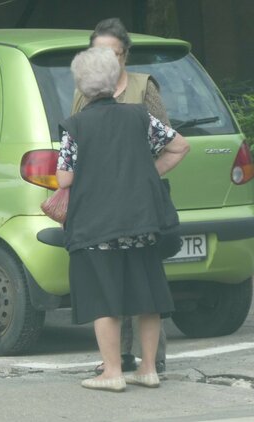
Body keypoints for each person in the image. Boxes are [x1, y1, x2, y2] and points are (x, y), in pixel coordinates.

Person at [57, 47, 189, 392]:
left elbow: (64, 180)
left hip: (96, 225)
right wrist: (147, 172)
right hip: (142, 221)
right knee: (147, 295)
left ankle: (112, 372)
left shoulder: (75, 126)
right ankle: (148, 369)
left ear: (82, 88)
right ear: (116, 81)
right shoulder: (140, 116)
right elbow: (180, 146)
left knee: (105, 298)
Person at [71, 17, 170, 375]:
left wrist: (140, 176)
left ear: (125, 54)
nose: (105, 60)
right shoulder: (85, 94)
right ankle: (117, 360)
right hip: (104, 204)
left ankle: (151, 361)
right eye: (98, 53)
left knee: (142, 281)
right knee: (116, 279)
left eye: (111, 53)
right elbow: (81, 144)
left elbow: (167, 141)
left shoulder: (143, 88)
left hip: (139, 199)